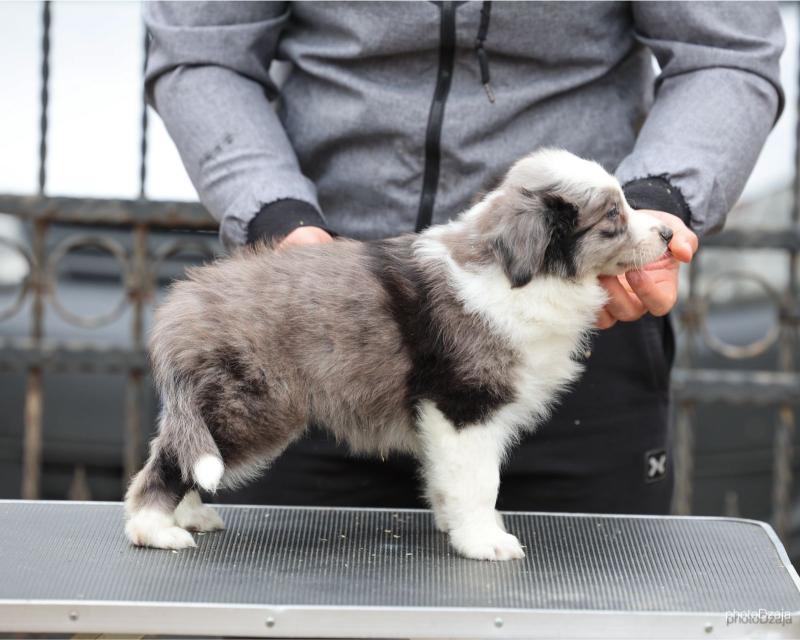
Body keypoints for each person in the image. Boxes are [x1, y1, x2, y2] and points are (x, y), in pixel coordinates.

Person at [142, 2, 783, 514]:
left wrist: (656, 197)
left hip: (585, 319)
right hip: (320, 323)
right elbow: (202, 50)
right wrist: (275, 215)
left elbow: (725, 52)